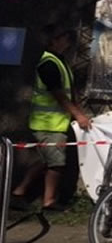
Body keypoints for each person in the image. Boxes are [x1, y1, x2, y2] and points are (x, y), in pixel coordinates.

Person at [12, 24, 92, 211]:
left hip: (53, 123)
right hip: (48, 124)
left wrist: (78, 111)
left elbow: (70, 93)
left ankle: (19, 192)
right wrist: (78, 115)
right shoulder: (49, 63)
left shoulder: (59, 61)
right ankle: (49, 201)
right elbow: (59, 94)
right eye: (63, 36)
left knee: (44, 161)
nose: (68, 40)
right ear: (53, 40)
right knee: (56, 164)